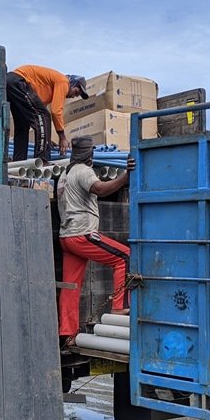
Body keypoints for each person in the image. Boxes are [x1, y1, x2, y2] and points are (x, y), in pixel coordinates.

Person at [57, 135, 136, 349]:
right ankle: (119, 307)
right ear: (89, 154)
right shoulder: (84, 171)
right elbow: (100, 189)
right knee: (124, 257)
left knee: (71, 286)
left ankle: (68, 333)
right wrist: (125, 177)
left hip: (66, 236)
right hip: (82, 234)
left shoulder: (65, 173)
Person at [6, 65, 88, 161]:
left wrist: (46, 140)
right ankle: (42, 159)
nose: (74, 96)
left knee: (23, 125)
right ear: (73, 83)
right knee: (45, 116)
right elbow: (56, 111)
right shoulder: (64, 81)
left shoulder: (48, 88)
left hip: (10, 82)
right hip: (20, 81)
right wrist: (62, 138)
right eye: (76, 92)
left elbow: (36, 114)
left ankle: (19, 160)